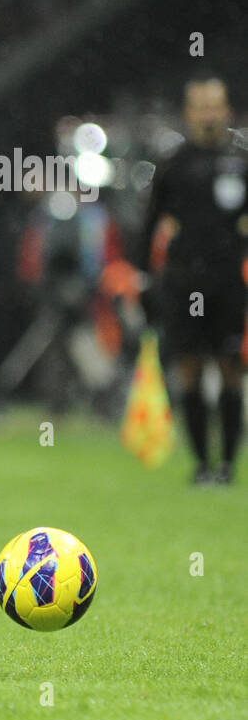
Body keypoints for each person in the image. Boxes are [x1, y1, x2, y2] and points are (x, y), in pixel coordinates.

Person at [137, 75, 248, 485]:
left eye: (213, 106)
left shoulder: (241, 160)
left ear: (226, 110)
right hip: (183, 282)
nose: (207, 114)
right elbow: (149, 225)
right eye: (199, 106)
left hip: (229, 281)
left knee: (231, 366)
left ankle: (228, 466)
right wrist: (144, 279)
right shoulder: (173, 164)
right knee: (189, 370)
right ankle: (202, 464)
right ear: (188, 113)